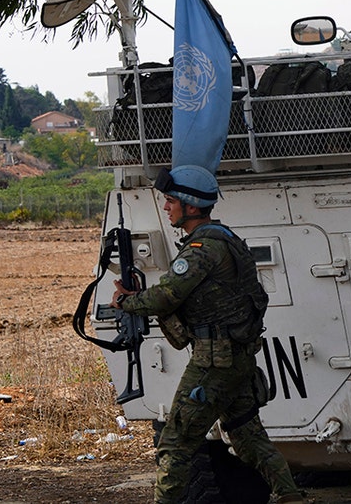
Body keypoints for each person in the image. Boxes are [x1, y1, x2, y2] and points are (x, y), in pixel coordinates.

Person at [110, 165, 304, 504]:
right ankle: (291, 496)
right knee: (248, 437)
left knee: (175, 442)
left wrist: (127, 301)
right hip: (237, 359)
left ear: (191, 206)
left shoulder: (202, 249)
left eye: (171, 201)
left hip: (214, 362)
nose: (167, 207)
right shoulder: (226, 239)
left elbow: (166, 296)